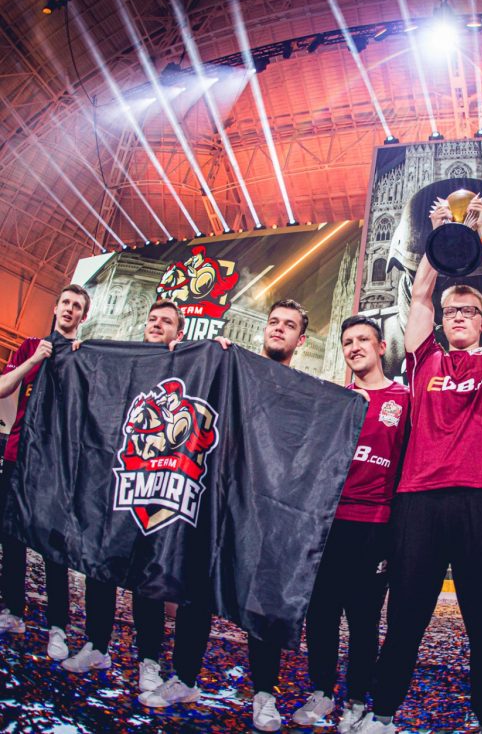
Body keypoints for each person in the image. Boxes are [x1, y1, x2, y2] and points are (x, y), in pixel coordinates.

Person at [355, 195, 482, 734]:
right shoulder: (424, 357)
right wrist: (436, 239)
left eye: (468, 311)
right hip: (420, 500)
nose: (458, 317)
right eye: (453, 312)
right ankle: (383, 712)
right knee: (405, 615)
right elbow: (422, 292)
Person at [61, 299, 229, 710]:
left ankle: (148, 660)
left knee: (148, 574)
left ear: (180, 332)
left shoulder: (188, 366)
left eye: (165, 321)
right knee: (101, 563)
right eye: (152, 319)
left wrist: (220, 351)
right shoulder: (129, 361)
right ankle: (96, 645)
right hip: (119, 477)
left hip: (158, 487)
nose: (156, 325)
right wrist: (78, 354)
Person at [291, 315, 409, 732]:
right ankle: (322, 690)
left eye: (363, 339)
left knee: (363, 619)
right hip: (328, 524)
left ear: (381, 347)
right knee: (321, 612)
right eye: (347, 342)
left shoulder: (404, 399)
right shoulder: (335, 399)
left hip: (375, 525)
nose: (354, 347)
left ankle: (357, 699)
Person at [0, 284, 90, 660]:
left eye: (76, 306)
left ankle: (58, 628)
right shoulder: (29, 347)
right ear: (55, 308)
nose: (69, 309)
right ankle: (13, 612)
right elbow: (3, 388)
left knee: (54, 548)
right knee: (11, 538)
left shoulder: (84, 356)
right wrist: (34, 359)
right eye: (65, 302)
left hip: (56, 467)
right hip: (17, 455)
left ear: (83, 316)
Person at [246, 299, 311, 732]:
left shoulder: (308, 392)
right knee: (198, 588)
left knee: (265, 600)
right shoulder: (236, 371)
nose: (278, 329)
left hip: (272, 510)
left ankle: (264, 693)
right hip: (226, 497)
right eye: (274, 322)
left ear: (300, 339)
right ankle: (185, 677)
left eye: (289, 325)